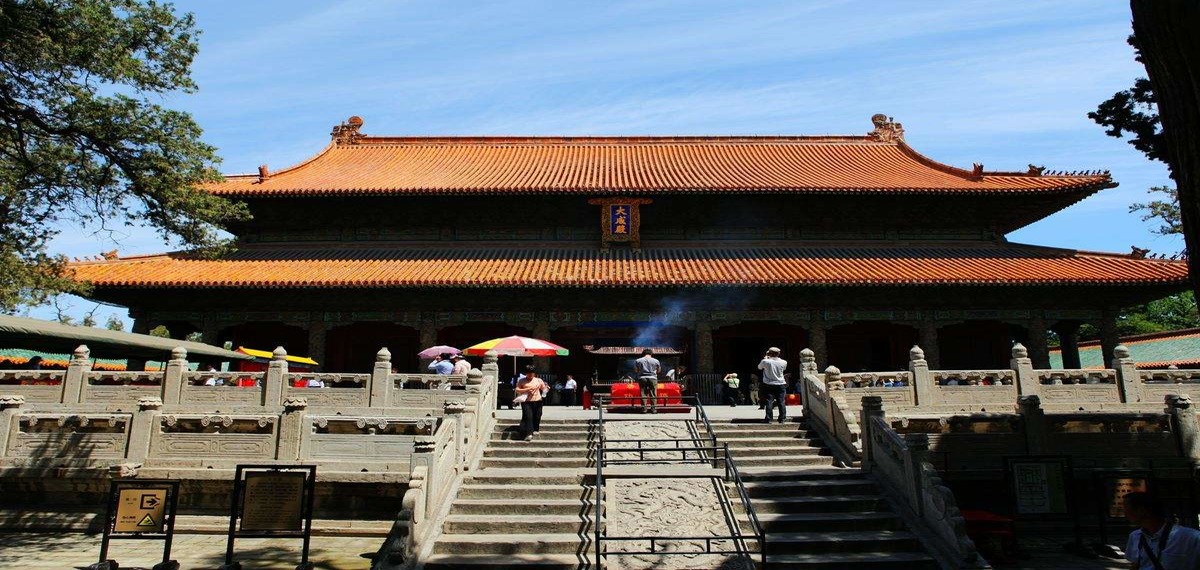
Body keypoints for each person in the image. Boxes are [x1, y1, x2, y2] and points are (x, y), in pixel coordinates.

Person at [1123, 491, 1200, 569]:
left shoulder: (1192, 538)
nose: (1124, 513)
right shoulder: (1135, 536)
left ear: (1142, 510)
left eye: (1126, 508)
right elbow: (1135, 565)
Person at [514, 366, 548, 441]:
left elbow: (543, 388)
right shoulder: (522, 380)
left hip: (538, 400)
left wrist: (546, 389)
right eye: (528, 373)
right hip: (526, 402)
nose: (530, 375)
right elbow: (517, 389)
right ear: (526, 373)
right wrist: (527, 389)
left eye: (532, 373)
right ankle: (529, 433)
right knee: (529, 416)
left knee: (538, 415)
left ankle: (535, 429)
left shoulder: (539, 380)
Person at [758, 347, 788, 423]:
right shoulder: (784, 362)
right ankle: (782, 419)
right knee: (781, 402)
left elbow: (759, 367)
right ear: (778, 354)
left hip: (768, 384)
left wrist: (766, 358)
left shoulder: (765, 361)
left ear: (769, 353)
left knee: (768, 401)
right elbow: (783, 369)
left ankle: (768, 418)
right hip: (780, 383)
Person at [634, 348, 662, 413]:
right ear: (651, 354)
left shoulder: (638, 360)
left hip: (642, 378)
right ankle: (654, 409)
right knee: (653, 393)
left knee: (643, 393)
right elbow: (659, 370)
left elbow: (636, 370)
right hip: (653, 378)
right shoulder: (656, 361)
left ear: (643, 354)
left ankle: (644, 409)